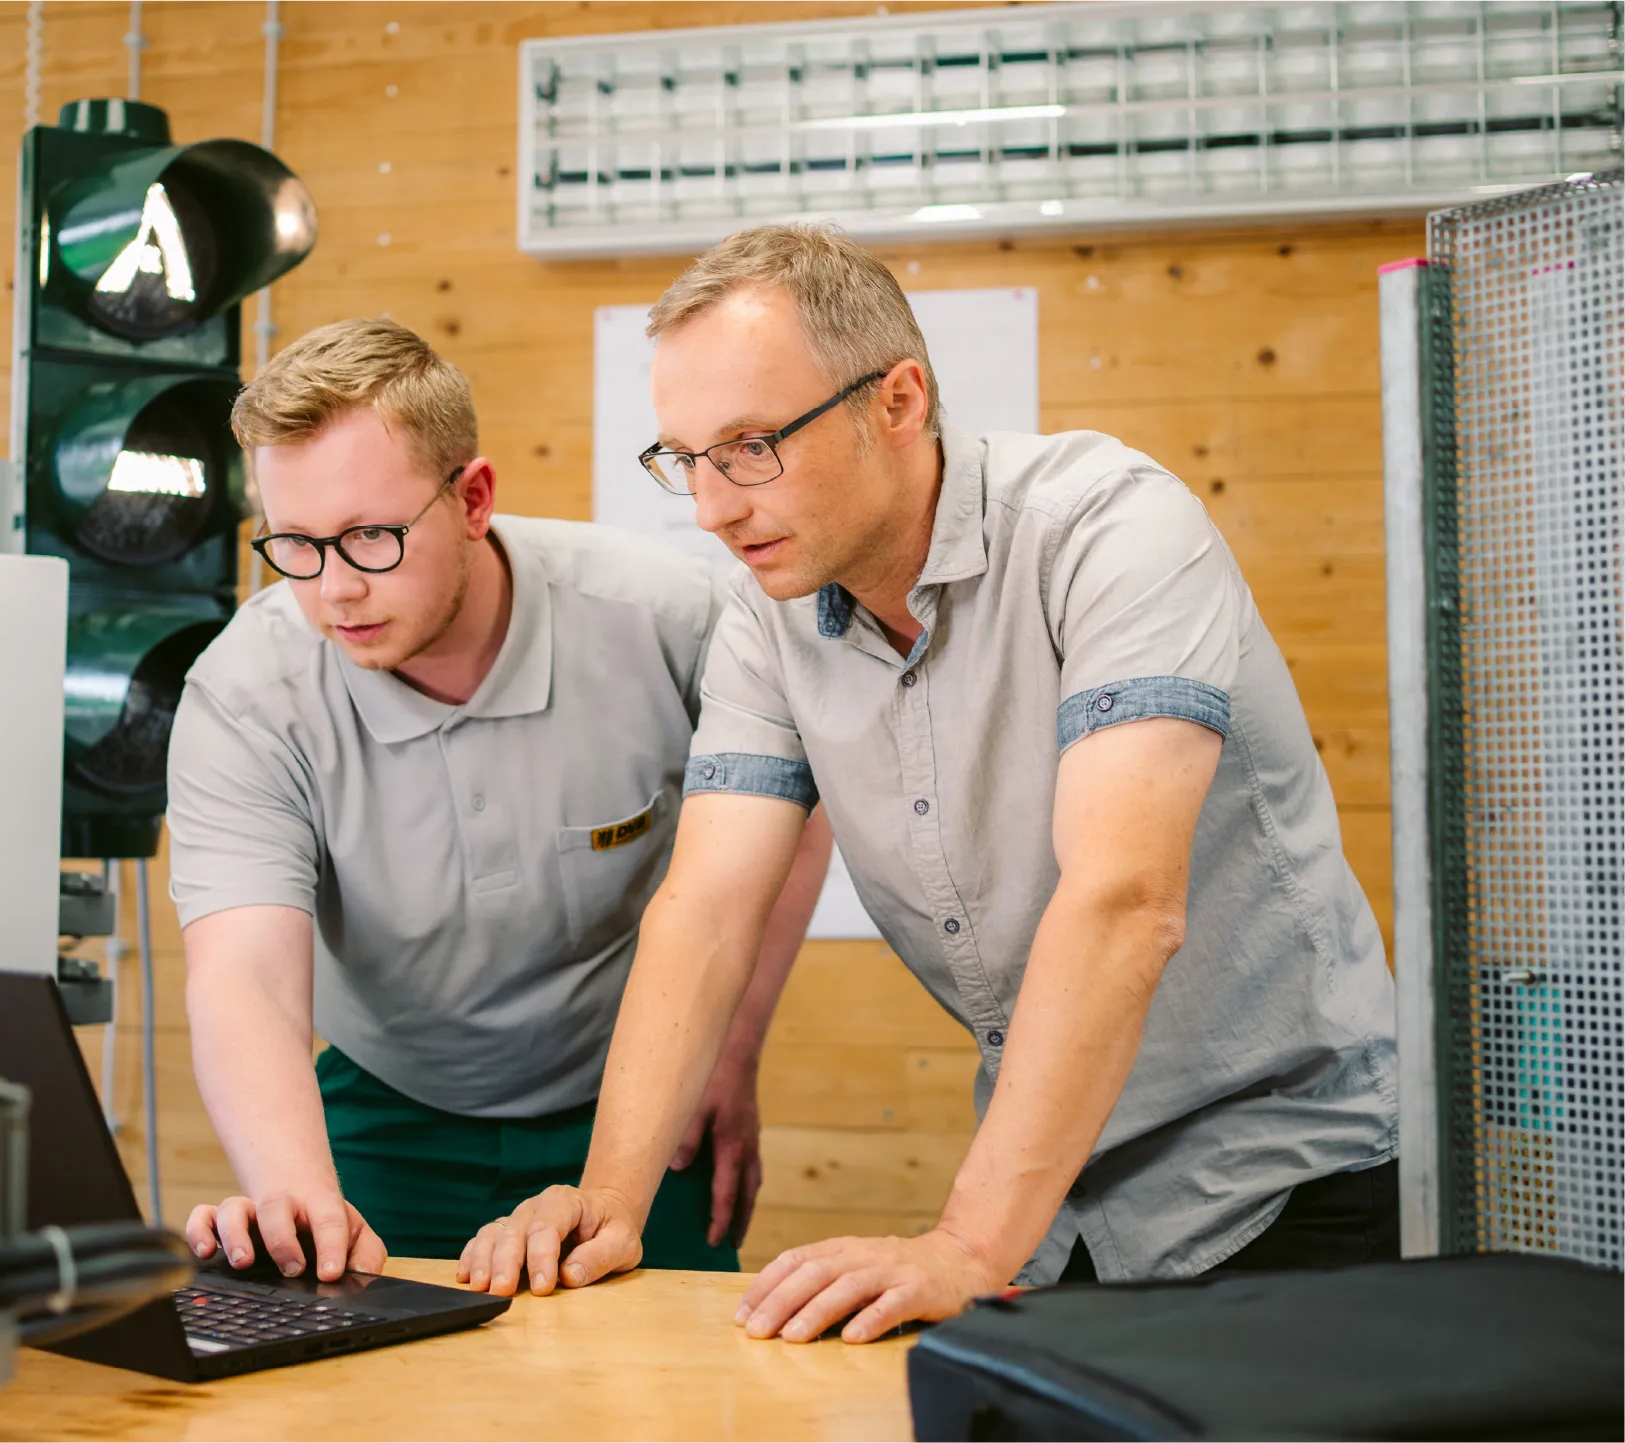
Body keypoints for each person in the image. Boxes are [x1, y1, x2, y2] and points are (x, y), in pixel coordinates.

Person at [459, 226, 1399, 1341]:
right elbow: (705, 909)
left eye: (751, 446)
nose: (711, 508)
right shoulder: (769, 620)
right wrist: (610, 1199)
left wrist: (963, 1247)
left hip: (1289, 1176)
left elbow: (1123, 903)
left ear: (898, 401)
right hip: (1059, 1202)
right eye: (686, 459)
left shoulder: (1107, 528)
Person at [166, 317, 832, 1282]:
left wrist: (730, 1046)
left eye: (370, 537)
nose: (334, 591)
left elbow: (791, 822)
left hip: (642, 1089)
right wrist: (296, 1194)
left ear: (473, 498)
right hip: (390, 1102)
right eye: (296, 546)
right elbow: (246, 976)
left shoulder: (672, 619)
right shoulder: (244, 693)